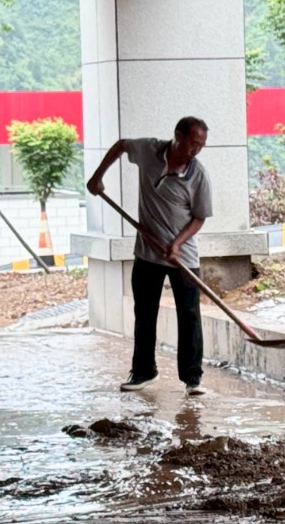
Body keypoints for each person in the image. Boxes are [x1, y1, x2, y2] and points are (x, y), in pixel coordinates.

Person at [87, 117, 212, 394]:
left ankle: (193, 378)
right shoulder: (149, 151)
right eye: (193, 143)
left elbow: (199, 218)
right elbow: (121, 146)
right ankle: (144, 371)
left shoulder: (198, 176)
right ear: (178, 135)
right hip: (147, 253)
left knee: (189, 315)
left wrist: (177, 243)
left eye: (201, 146)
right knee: (144, 313)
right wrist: (98, 176)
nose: (196, 151)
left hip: (183, 257)